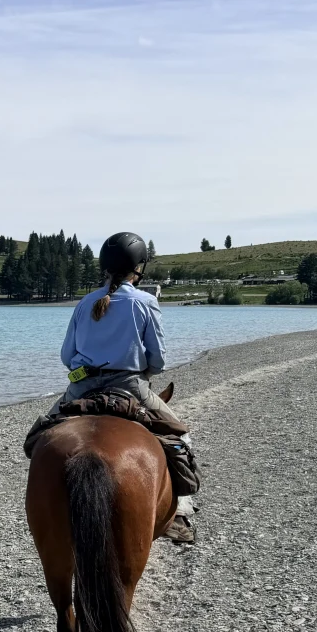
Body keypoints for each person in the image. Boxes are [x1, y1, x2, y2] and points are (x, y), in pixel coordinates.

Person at [58, 231, 196, 543]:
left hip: (82, 388)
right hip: (132, 387)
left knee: (39, 436)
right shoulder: (145, 302)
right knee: (180, 434)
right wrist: (141, 367)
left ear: (104, 266)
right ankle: (180, 512)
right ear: (139, 267)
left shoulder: (84, 304)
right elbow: (158, 360)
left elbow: (67, 357)